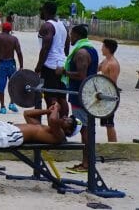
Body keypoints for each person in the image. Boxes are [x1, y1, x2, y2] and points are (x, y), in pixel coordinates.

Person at [55, 24, 97, 173]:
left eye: (71, 35)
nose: (70, 37)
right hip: (86, 95)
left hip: (81, 97)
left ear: (77, 35)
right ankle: (87, 162)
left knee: (84, 130)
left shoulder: (81, 53)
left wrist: (64, 72)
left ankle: (86, 164)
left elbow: (82, 76)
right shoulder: (90, 49)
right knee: (86, 129)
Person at [34, 1, 68, 116]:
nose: (40, 13)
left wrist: (38, 67)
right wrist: (63, 60)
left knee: (50, 98)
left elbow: (45, 48)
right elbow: (66, 46)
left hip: (49, 66)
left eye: (41, 10)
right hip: (62, 65)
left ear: (46, 11)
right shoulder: (63, 25)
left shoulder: (47, 25)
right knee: (62, 97)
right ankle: (64, 122)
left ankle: (53, 126)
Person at [0, 21, 23, 113]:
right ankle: (12, 103)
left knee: (1, 85)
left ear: (2, 28)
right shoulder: (14, 39)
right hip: (11, 63)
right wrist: (21, 65)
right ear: (10, 30)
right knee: (13, 84)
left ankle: (2, 107)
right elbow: (19, 52)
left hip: (1, 63)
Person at [98, 38, 120, 142]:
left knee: (109, 123)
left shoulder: (113, 64)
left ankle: (113, 145)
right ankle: (110, 144)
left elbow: (112, 83)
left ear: (108, 48)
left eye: (103, 47)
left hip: (110, 95)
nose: (101, 49)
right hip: (103, 94)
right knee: (106, 123)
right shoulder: (105, 61)